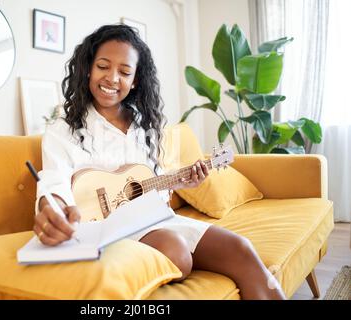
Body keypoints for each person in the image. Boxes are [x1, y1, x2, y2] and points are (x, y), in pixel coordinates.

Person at [34, 24, 286, 300]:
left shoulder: (146, 127)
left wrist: (184, 181)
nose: (112, 78)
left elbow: (153, 188)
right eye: (103, 66)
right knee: (175, 251)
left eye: (125, 72)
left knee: (241, 248)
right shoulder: (64, 129)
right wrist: (54, 210)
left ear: (136, 81)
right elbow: (54, 182)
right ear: (87, 69)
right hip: (102, 232)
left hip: (153, 222)